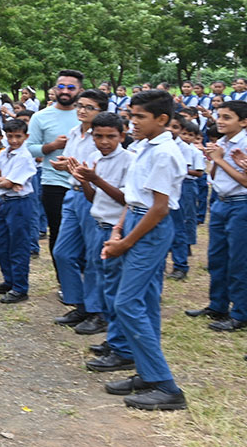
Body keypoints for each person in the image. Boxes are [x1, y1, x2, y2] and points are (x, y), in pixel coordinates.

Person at [92, 89, 187, 411]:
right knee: (144, 302)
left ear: (162, 119)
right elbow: (134, 198)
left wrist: (126, 242)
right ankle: (147, 373)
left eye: (139, 117)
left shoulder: (165, 153)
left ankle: (166, 386)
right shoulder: (145, 145)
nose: (132, 122)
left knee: (127, 302)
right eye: (131, 116)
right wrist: (119, 228)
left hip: (150, 229)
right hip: (134, 220)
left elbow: (160, 208)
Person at [46, 88, 106, 327]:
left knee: (93, 255)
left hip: (94, 195)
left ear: (101, 110)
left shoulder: (102, 136)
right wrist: (64, 166)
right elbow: (71, 162)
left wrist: (78, 170)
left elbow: (99, 170)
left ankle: (97, 311)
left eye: (89, 107)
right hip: (72, 194)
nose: (82, 110)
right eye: (80, 106)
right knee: (63, 251)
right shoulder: (73, 132)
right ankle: (79, 303)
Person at [186, 100, 247, 329]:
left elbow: (245, 181)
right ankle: (218, 305)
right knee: (217, 257)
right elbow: (213, 173)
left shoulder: (244, 143)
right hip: (221, 202)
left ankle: (241, 313)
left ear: (243, 122)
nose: (220, 121)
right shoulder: (222, 142)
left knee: (239, 261)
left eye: (227, 117)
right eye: (219, 116)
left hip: (240, 204)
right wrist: (214, 159)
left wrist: (220, 159)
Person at [72, 112, 130, 350]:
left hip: (117, 228)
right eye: (98, 136)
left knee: (115, 285)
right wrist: (83, 179)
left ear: (122, 136)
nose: (104, 141)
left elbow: (125, 198)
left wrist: (95, 178)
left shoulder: (129, 160)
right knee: (102, 278)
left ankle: (118, 338)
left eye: (110, 136)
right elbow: (94, 197)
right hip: (98, 224)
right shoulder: (96, 157)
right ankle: (112, 333)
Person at [28, 70, 84, 287]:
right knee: (59, 231)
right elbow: (29, 148)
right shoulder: (41, 117)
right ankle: (65, 282)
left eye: (71, 88)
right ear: (54, 89)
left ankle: (84, 277)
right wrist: (51, 147)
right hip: (53, 181)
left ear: (79, 90)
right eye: (61, 86)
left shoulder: (86, 114)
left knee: (84, 232)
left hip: (84, 183)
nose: (65, 91)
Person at [0, 118, 37, 303]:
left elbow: (8, 183)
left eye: (18, 136)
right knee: (2, 243)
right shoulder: (4, 153)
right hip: (4, 201)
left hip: (20, 203)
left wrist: (2, 180)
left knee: (18, 245)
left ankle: (20, 287)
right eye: (10, 136)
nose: (14, 140)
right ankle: (9, 280)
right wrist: (3, 180)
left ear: (26, 136)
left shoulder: (24, 156)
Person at [165, 117, 204, 281]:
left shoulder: (184, 147)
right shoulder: (162, 144)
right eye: (169, 126)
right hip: (166, 185)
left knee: (179, 225)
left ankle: (180, 265)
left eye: (175, 127)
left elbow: (184, 170)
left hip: (182, 186)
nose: (171, 130)